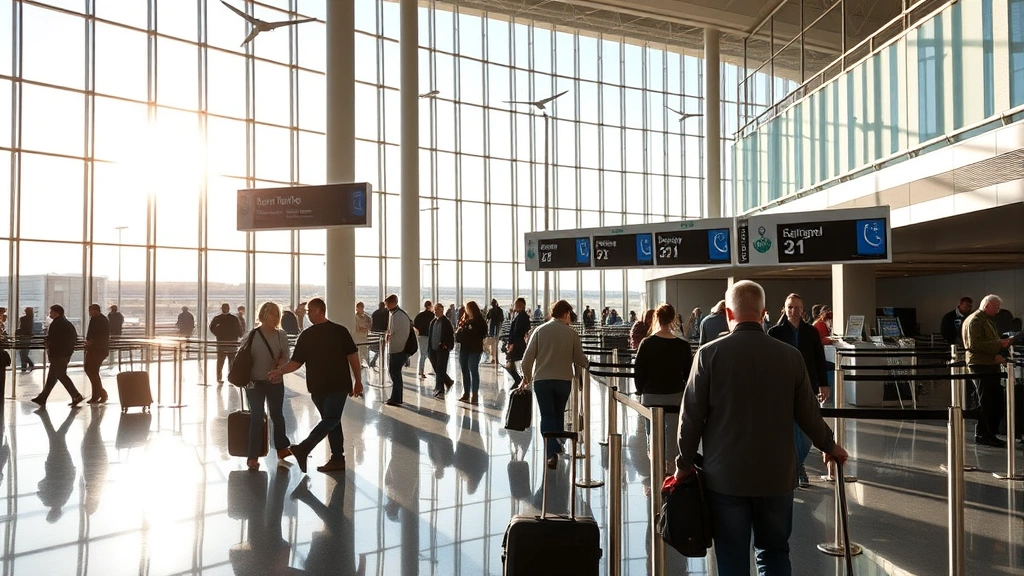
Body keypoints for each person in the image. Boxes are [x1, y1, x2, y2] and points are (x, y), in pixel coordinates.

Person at [675, 280, 848, 574]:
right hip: (777, 477)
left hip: (725, 477)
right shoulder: (790, 357)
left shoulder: (708, 355)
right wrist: (830, 447)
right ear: (765, 312)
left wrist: (684, 463)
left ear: (728, 314)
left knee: (732, 557)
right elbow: (808, 415)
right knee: (774, 552)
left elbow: (691, 417)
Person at [270, 298, 362, 474]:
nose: (308, 314)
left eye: (310, 311)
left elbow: (353, 356)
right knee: (332, 421)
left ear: (320, 310)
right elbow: (296, 362)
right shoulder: (306, 335)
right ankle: (337, 459)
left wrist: (358, 380)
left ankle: (304, 448)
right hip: (317, 388)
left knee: (331, 419)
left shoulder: (339, 331)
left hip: (338, 385)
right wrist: (279, 371)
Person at [767, 293, 831, 488]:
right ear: (784, 310)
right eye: (790, 307)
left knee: (806, 431)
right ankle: (797, 467)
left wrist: (824, 383)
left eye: (797, 308)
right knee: (790, 428)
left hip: (808, 385)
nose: (793, 311)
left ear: (803, 310)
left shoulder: (811, 332)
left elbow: (818, 358)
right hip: (783, 386)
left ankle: (798, 462)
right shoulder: (775, 333)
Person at [520, 300, 589, 469]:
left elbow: (526, 360)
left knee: (547, 415)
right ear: (565, 314)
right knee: (558, 413)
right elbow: (580, 359)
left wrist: (527, 377)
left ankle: (551, 452)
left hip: (542, 381)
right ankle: (558, 445)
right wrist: (585, 370)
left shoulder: (540, 330)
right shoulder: (571, 334)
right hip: (563, 380)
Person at [632, 303, 691, 473]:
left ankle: (655, 464)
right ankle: (670, 468)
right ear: (673, 319)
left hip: (651, 396)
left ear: (656, 318)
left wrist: (640, 390)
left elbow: (639, 372)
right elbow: (688, 375)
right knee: (673, 436)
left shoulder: (646, 343)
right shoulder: (683, 345)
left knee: (653, 435)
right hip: (675, 396)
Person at [243, 302, 292, 471]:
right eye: (271, 315)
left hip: (275, 382)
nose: (275, 319)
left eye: (277, 316)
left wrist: (280, 367)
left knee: (277, 415)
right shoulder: (252, 335)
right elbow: (243, 359)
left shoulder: (281, 335)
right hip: (254, 383)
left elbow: (286, 356)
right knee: (257, 416)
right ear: (263, 316)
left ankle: (281, 448)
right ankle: (253, 455)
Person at [962, 294, 1012, 448]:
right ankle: (983, 434)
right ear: (987, 305)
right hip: (981, 365)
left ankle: (990, 433)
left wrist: (997, 351)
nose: (998, 311)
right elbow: (975, 344)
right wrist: (999, 344)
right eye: (996, 307)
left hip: (989, 364)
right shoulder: (976, 320)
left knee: (993, 400)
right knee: (985, 400)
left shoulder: (986, 319)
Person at [31, 305, 85, 408]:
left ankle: (76, 395)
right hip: (65, 354)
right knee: (52, 377)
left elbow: (54, 340)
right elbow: (73, 338)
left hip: (58, 354)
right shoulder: (67, 324)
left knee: (61, 375)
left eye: (51, 312)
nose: (50, 314)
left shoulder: (57, 324)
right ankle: (42, 398)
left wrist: (49, 345)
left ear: (57, 313)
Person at [455, 301, 487, 405]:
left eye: (467, 308)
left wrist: (469, 331)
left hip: (475, 349)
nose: (466, 310)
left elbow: (483, 333)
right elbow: (459, 334)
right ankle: (466, 393)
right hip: (465, 348)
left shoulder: (480, 321)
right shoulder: (465, 320)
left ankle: (474, 394)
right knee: (464, 370)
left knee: (473, 370)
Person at [384, 294, 413, 407]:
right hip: (398, 348)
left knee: (394, 372)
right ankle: (396, 397)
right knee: (395, 373)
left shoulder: (397, 315)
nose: (386, 306)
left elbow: (392, 331)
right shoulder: (397, 314)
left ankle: (396, 398)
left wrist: (389, 335)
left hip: (398, 349)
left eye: (387, 303)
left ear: (392, 303)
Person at [210, 303, 243, 384]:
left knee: (220, 362)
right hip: (232, 343)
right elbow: (239, 329)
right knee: (231, 362)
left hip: (221, 343)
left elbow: (211, 327)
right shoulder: (234, 318)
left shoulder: (217, 318)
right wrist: (239, 336)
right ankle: (231, 378)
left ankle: (219, 378)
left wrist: (217, 333)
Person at [83, 304, 110, 405]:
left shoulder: (102, 320)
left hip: (99, 350)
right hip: (93, 349)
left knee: (92, 370)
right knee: (90, 370)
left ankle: (97, 395)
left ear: (95, 310)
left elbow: (103, 336)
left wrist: (92, 342)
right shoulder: (94, 319)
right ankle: (101, 393)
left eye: (90, 310)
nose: (89, 312)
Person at [428, 303, 455, 399]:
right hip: (433, 349)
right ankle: (448, 381)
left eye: (438, 309)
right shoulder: (433, 322)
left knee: (440, 368)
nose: (436, 311)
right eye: (435, 309)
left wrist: (447, 346)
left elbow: (450, 336)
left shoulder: (446, 322)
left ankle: (440, 390)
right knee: (437, 369)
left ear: (442, 310)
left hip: (442, 350)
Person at [504, 297, 531, 387]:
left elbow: (516, 330)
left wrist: (512, 343)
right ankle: (519, 379)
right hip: (517, 342)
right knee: (511, 363)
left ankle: (519, 380)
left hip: (517, 343)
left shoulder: (521, 317)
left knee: (510, 362)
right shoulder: (520, 316)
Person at [413, 300, 434, 379]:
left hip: (421, 336)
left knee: (422, 354)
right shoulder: (432, 315)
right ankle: (429, 370)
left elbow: (415, 324)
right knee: (428, 354)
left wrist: (418, 331)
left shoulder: (420, 315)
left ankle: (420, 370)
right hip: (428, 336)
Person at [368, 302, 390, 368]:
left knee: (376, 347)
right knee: (381, 348)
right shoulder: (386, 313)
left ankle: (373, 361)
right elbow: (388, 322)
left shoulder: (375, 313)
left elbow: (372, 322)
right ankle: (379, 361)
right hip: (382, 332)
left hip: (375, 332)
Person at [16, 307, 35, 372]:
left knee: (22, 353)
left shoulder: (23, 319)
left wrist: (17, 332)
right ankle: (24, 366)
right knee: (24, 352)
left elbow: (22, 328)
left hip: (23, 337)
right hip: (28, 338)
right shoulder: (31, 319)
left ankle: (28, 364)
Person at [354, 301, 372, 367]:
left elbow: (369, 327)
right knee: (359, 354)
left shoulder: (365, 317)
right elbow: (358, 328)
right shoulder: (355, 317)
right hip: (358, 339)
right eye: (360, 307)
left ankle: (366, 365)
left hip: (364, 339)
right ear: (357, 308)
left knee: (365, 354)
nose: (361, 309)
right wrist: (365, 328)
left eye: (362, 307)